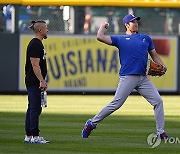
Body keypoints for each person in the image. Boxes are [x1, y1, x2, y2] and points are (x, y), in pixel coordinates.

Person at [82, 14, 169, 140]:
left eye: (136, 21)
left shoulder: (146, 38)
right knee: (116, 104)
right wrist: (102, 26)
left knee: (158, 101)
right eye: (132, 22)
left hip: (143, 78)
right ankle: (91, 123)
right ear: (126, 25)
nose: (135, 23)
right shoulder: (120, 39)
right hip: (128, 77)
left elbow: (154, 55)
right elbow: (100, 37)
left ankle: (160, 132)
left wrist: (162, 65)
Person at [23, 20, 49, 144]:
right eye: (46, 28)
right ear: (40, 30)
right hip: (34, 81)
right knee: (35, 108)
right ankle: (34, 135)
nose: (47, 30)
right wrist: (41, 81)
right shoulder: (35, 44)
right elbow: (35, 65)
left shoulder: (38, 43)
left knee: (32, 107)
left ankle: (29, 135)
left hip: (33, 80)